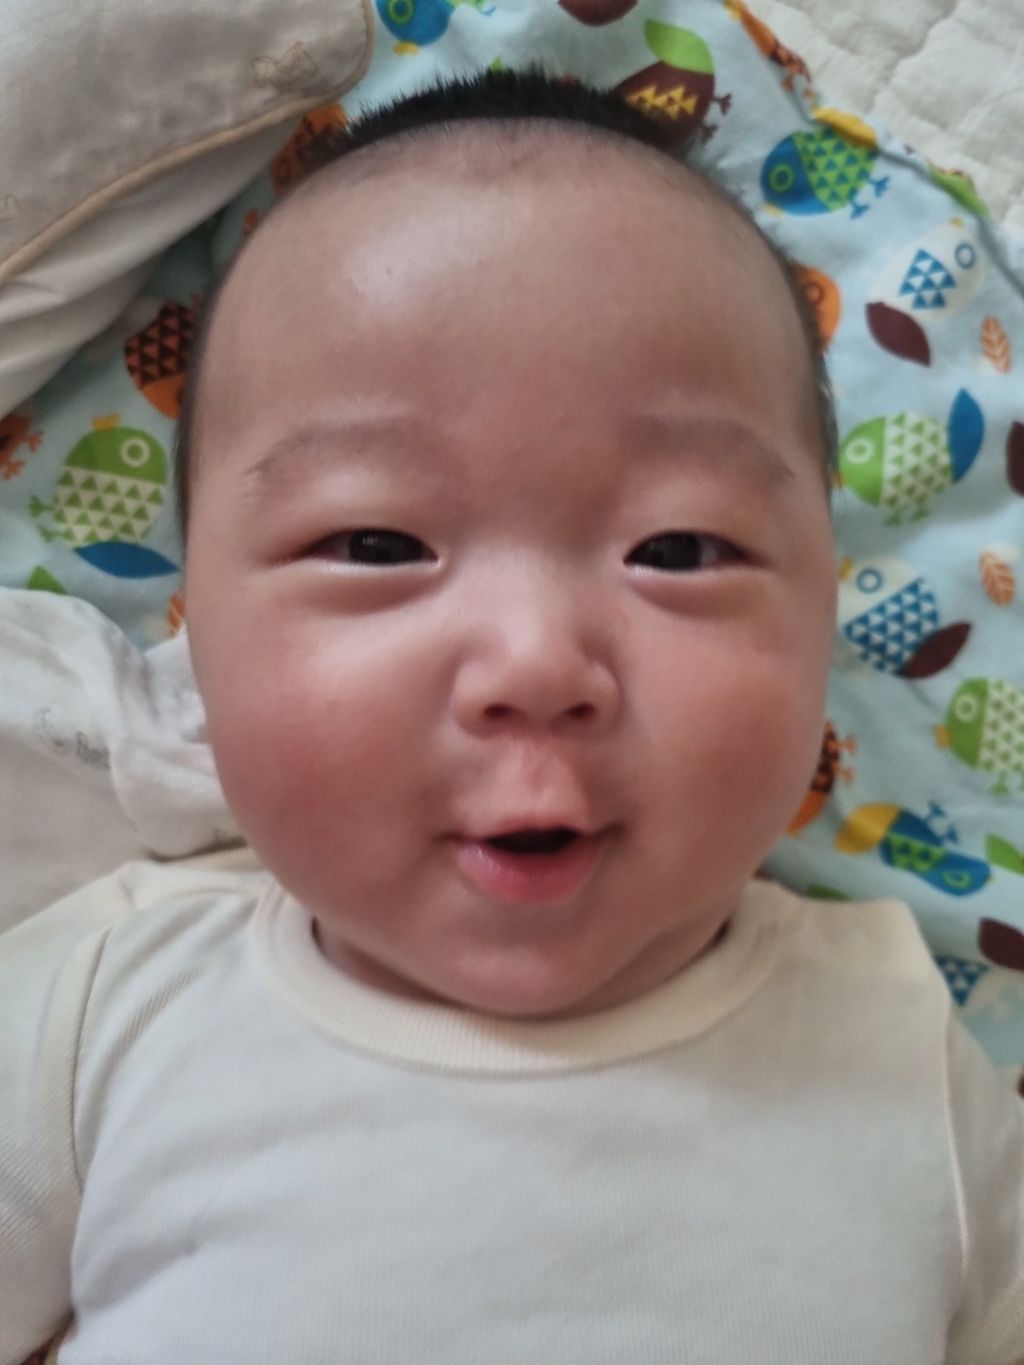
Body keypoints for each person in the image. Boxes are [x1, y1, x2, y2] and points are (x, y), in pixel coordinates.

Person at [1, 70, 1021, 1365]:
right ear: (194, 620)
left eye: (678, 548)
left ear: (825, 610)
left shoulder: (905, 1053)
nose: (537, 661)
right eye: (377, 543)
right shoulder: (104, 1005)